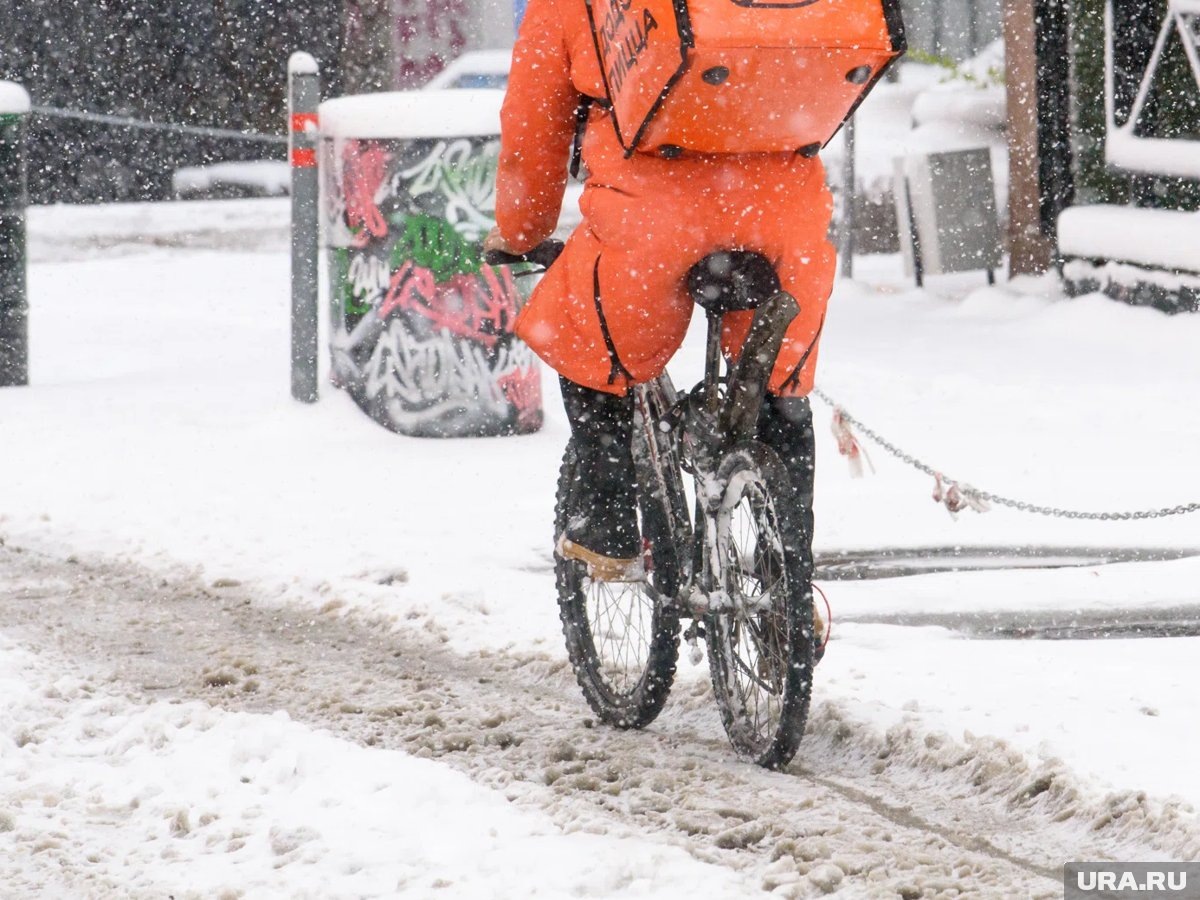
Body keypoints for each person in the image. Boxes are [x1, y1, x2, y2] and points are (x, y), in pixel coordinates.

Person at [485, 0, 835, 585]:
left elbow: (534, 129)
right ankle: (790, 588)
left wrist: (523, 232)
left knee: (588, 340)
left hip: (654, 217)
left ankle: (609, 524)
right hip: (783, 212)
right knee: (780, 387)